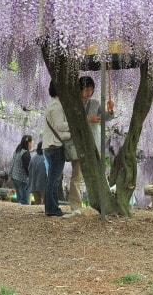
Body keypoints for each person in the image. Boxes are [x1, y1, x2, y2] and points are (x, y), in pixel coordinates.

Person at [66, 76, 115, 216]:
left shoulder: (94, 103)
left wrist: (110, 110)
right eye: (86, 89)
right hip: (79, 143)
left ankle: (104, 203)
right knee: (77, 175)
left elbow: (105, 118)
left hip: (95, 141)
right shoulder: (73, 103)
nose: (89, 92)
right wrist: (88, 120)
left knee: (99, 172)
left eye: (91, 89)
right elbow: (71, 121)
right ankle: (75, 206)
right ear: (80, 89)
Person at [43, 81, 71, 217]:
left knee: (53, 179)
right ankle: (51, 208)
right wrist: (74, 123)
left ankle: (52, 207)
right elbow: (60, 126)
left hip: (50, 146)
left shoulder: (53, 104)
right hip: (55, 147)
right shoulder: (57, 106)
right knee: (53, 180)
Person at [10, 135, 33, 205]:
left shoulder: (18, 150)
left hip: (14, 177)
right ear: (28, 143)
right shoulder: (25, 153)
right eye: (32, 142)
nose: (32, 144)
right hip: (22, 179)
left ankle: (19, 213)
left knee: (19, 199)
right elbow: (28, 168)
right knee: (25, 201)